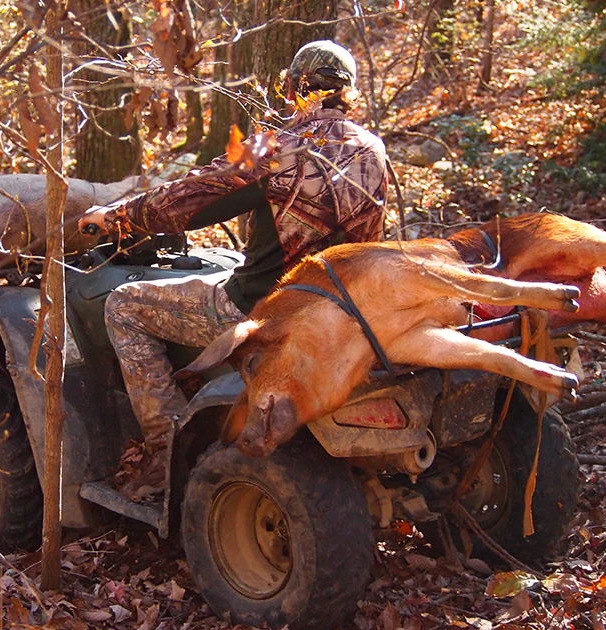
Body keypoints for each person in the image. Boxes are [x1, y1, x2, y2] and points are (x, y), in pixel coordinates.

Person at [78, 40, 389, 498]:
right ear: (349, 93)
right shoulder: (372, 149)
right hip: (342, 311)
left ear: (293, 88)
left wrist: (117, 217)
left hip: (261, 310)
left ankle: (164, 451)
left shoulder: (276, 147)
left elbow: (192, 196)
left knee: (124, 304)